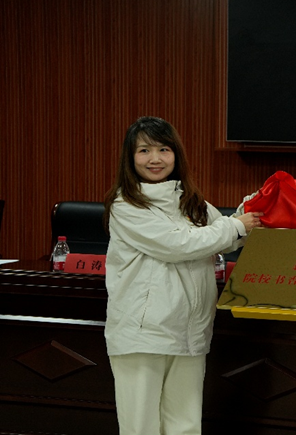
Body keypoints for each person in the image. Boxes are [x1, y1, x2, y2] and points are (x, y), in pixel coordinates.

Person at [102, 116, 263, 435]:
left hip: (190, 331)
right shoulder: (126, 205)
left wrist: (253, 209)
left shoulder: (190, 201)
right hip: (144, 335)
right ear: (130, 158)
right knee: (141, 427)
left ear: (176, 154)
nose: (155, 159)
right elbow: (178, 244)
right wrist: (235, 226)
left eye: (164, 149)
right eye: (144, 150)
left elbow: (226, 236)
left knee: (185, 425)